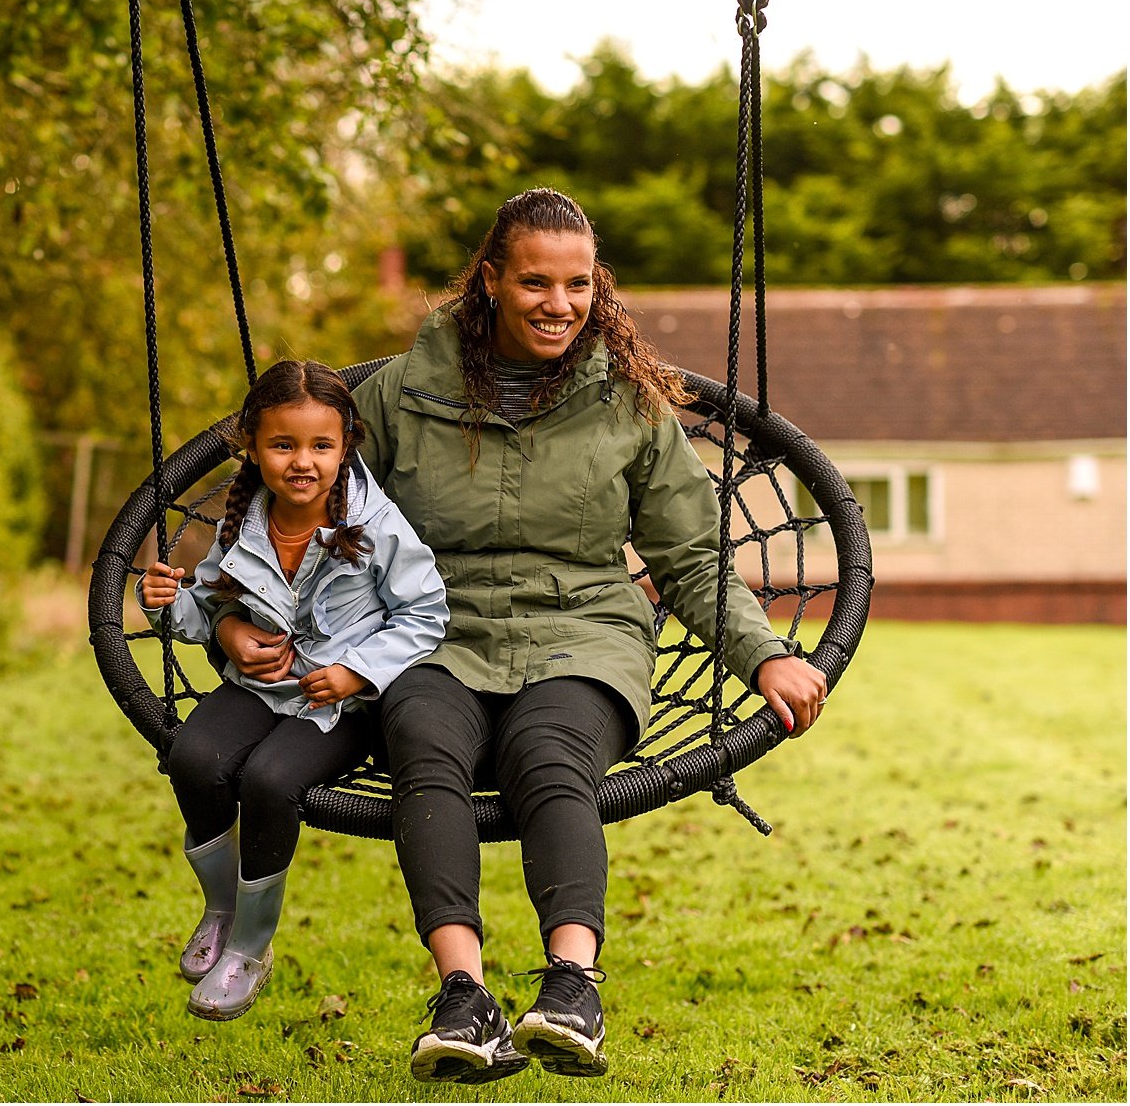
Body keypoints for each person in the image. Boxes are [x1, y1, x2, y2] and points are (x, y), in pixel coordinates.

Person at [214, 189, 829, 1080]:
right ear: (491, 280)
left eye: (578, 283)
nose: (559, 303)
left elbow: (691, 557)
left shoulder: (628, 404)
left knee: (551, 749)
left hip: (582, 626)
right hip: (433, 626)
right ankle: (463, 997)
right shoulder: (395, 399)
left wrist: (763, 652)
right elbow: (303, 515)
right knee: (421, 734)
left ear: (597, 287)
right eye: (536, 280)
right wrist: (241, 621)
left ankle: (573, 985)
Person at [137, 359, 449, 1022]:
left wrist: (356, 670)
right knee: (193, 756)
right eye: (283, 444)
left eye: (321, 445)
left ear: (345, 445)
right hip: (262, 681)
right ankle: (222, 908)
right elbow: (212, 603)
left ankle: (251, 945)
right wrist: (178, 608)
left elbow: (426, 613)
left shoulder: (377, 525)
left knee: (270, 781)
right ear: (254, 445)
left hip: (340, 702)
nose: (302, 461)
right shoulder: (245, 518)